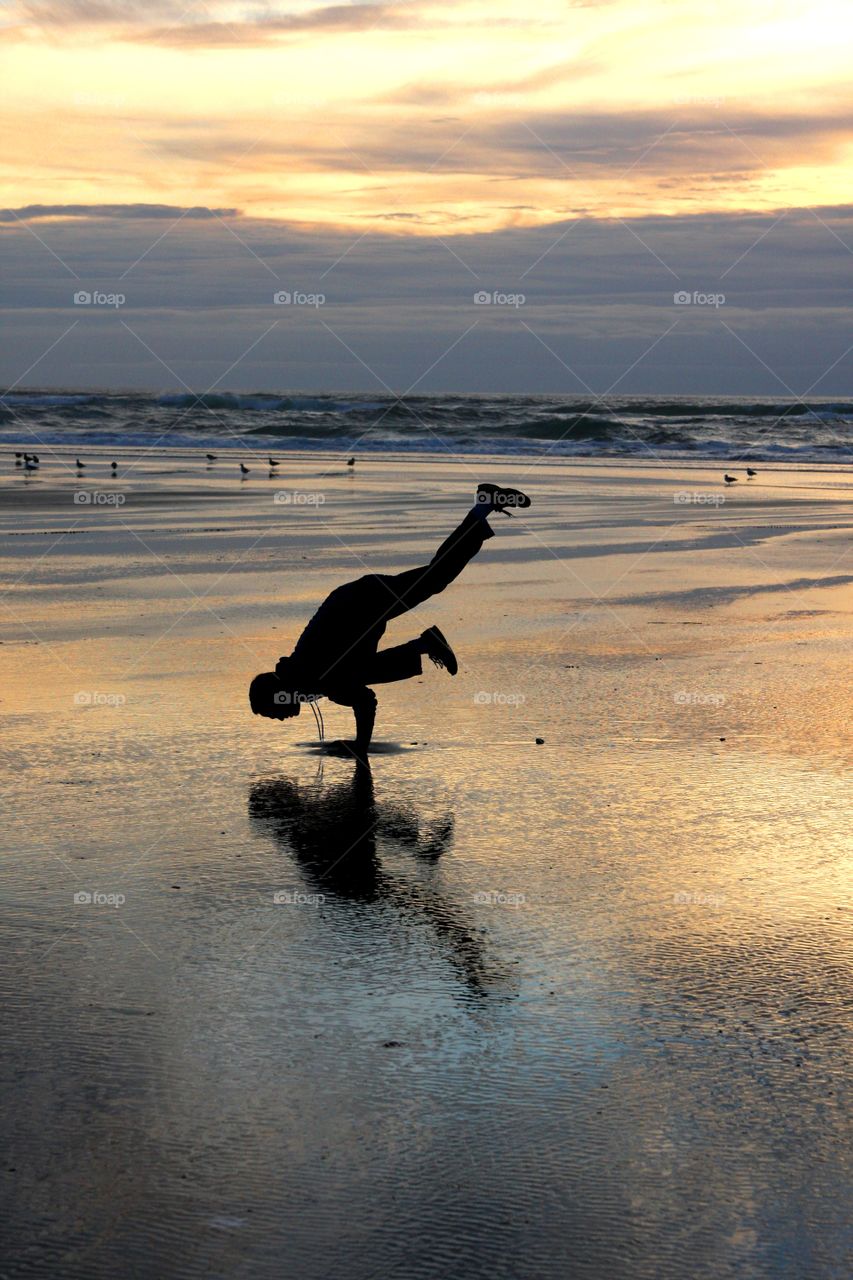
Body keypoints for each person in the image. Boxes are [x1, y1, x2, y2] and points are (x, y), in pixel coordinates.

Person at [249, 482, 531, 756]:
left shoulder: (312, 677)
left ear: (277, 695)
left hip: (361, 602)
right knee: (433, 579)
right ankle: (425, 643)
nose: (278, 719)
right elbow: (359, 694)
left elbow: (364, 700)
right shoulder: (302, 676)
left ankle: (482, 507)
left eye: (273, 712)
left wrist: (361, 747)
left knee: (435, 577)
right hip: (355, 602)